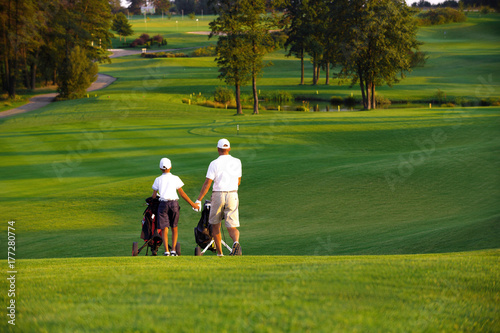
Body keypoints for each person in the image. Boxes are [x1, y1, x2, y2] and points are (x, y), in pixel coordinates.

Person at [195, 138, 242, 256]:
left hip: (218, 195)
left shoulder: (214, 163)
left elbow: (207, 183)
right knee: (232, 225)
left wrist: (199, 200)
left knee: (215, 225)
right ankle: (236, 242)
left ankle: (220, 253)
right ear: (229, 149)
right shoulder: (237, 161)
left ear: (218, 149)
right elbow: (238, 181)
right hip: (233, 194)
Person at [152, 157, 198, 256]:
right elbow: (182, 193)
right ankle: (173, 250)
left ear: (160, 168)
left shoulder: (158, 179)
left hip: (163, 204)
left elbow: (154, 196)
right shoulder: (175, 178)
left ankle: (166, 251)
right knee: (174, 227)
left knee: (164, 229)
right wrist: (192, 204)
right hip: (174, 204)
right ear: (171, 167)